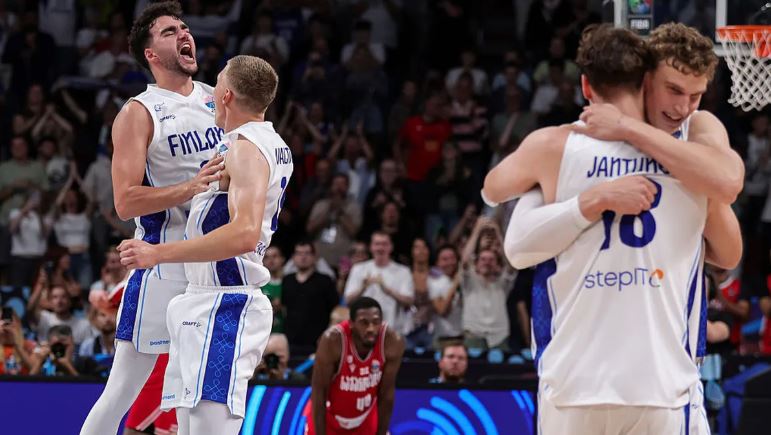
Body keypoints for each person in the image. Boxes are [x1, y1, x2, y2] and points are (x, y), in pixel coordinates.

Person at [481, 24, 725, 433]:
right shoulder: (690, 158)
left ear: (585, 86)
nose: (686, 107)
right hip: (659, 385)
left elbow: (493, 192)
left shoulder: (555, 146)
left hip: (573, 384)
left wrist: (573, 194)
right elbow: (730, 249)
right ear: (647, 81)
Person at [118, 54, 291, 435]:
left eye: (217, 85)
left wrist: (157, 253)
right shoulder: (249, 143)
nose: (210, 95)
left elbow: (244, 233)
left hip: (225, 302)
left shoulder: (248, 147)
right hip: (202, 300)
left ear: (226, 95)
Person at [81, 2, 224, 434]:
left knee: (192, 394)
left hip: (214, 263)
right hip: (163, 265)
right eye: (168, 31)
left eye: (184, 28)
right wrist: (190, 187)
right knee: (121, 392)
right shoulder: (139, 112)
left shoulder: (216, 98)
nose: (184, 34)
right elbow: (124, 202)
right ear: (151, 53)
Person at [307, 297, 405, 435]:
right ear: (351, 323)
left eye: (376, 322)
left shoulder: (392, 342)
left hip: (364, 419)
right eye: (364, 323)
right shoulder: (333, 341)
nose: (371, 328)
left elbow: (386, 395)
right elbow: (318, 394)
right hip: (328, 418)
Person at [282, 241, 339, 348]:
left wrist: (327, 334)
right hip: (290, 340)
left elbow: (335, 310)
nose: (303, 257)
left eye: (307, 253)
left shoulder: (325, 281)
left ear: (314, 257)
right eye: (299, 253)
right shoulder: (287, 280)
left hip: (317, 341)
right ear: (293, 257)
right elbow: (284, 308)